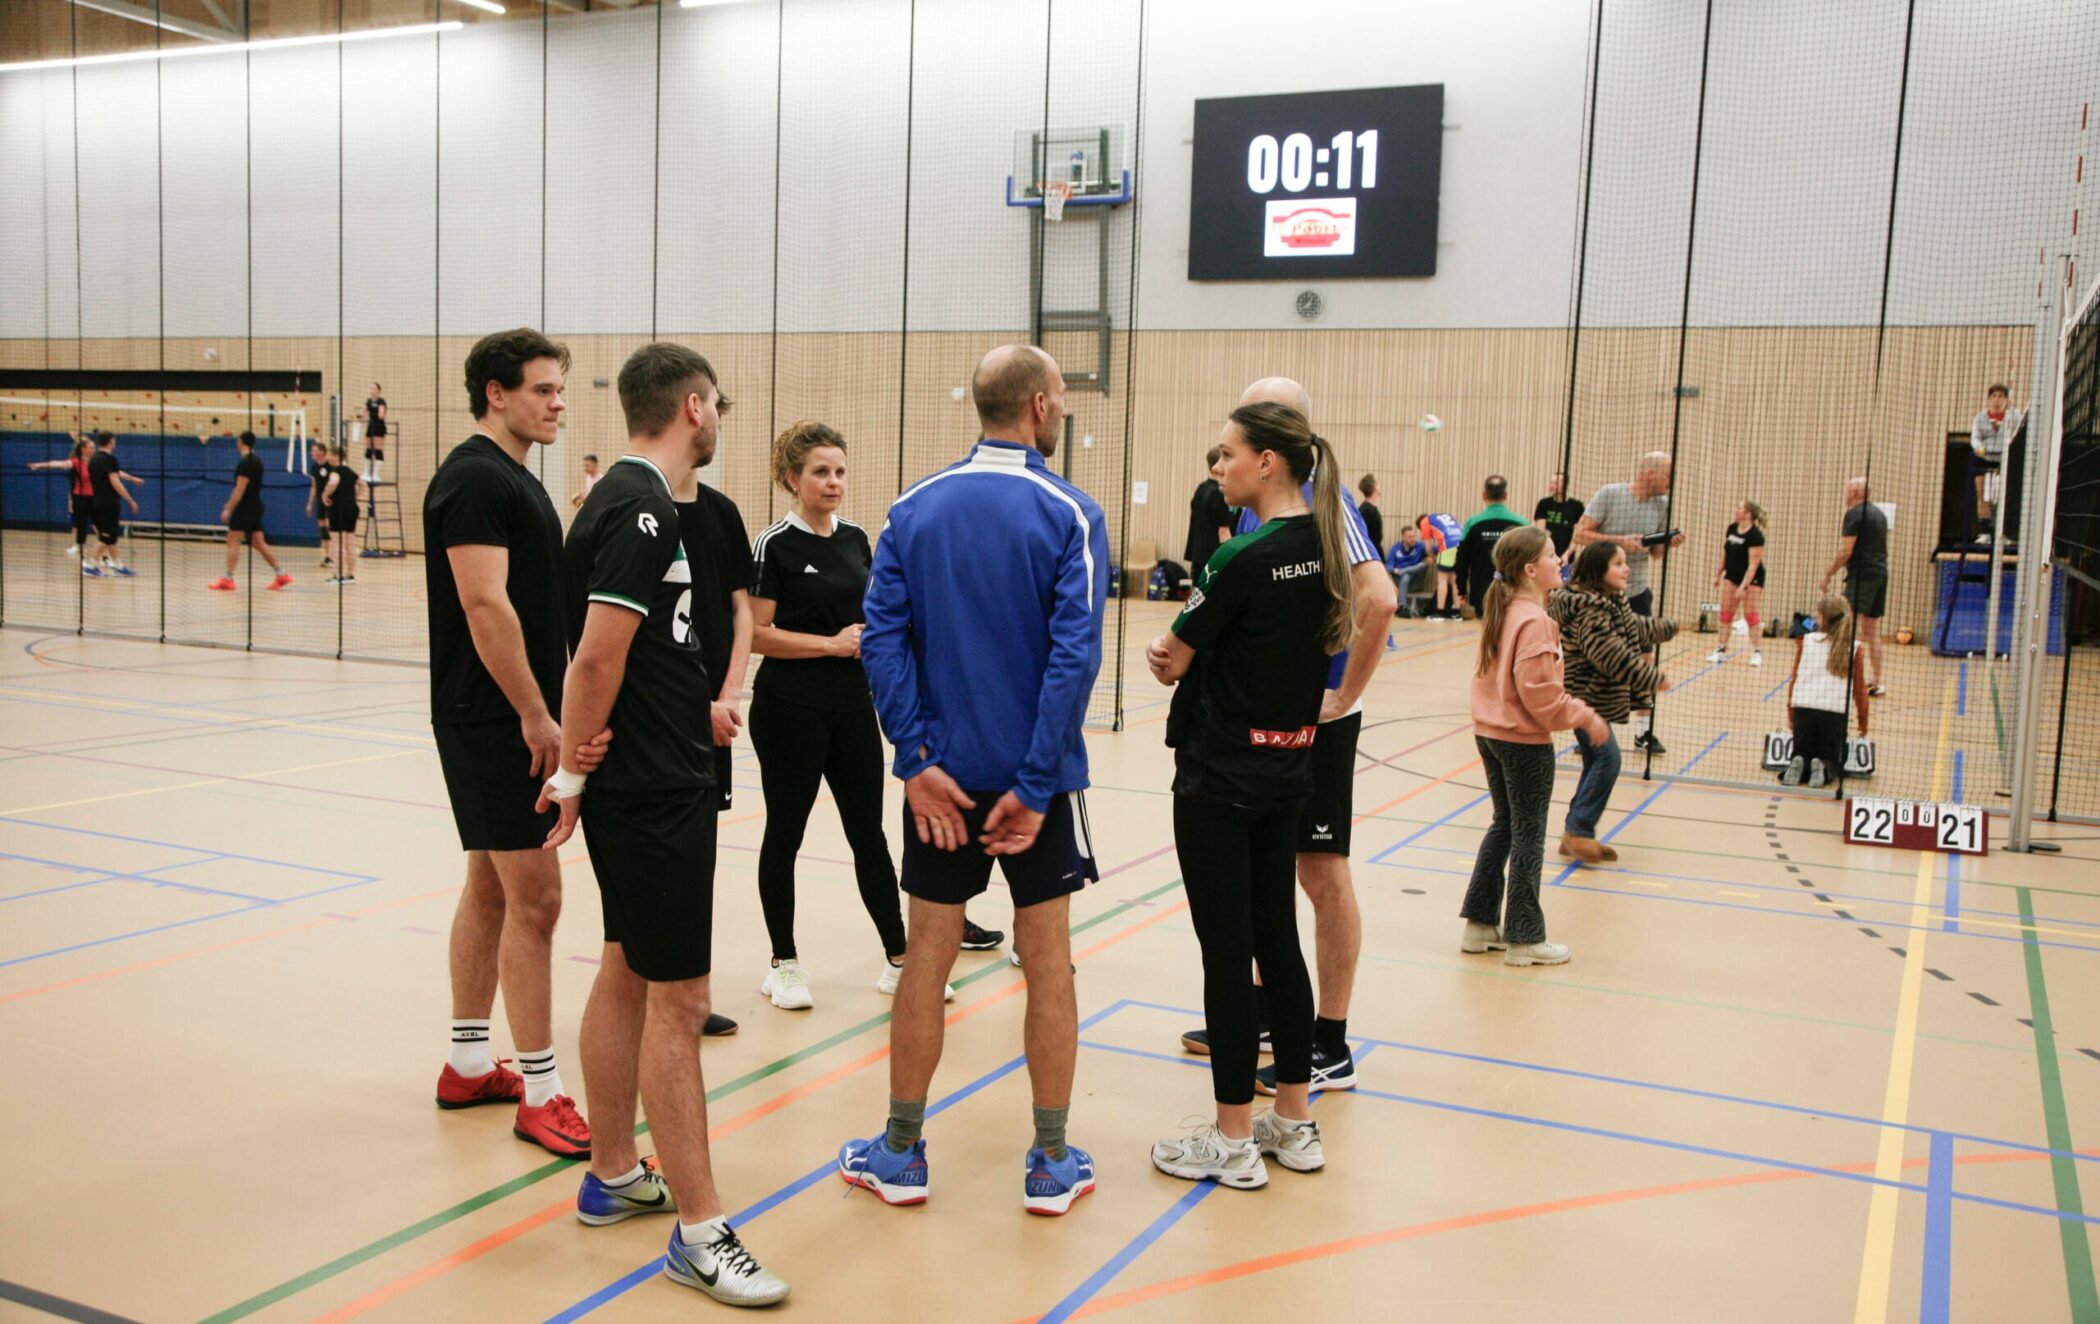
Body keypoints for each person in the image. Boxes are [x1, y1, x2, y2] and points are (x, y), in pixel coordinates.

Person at [542, 341, 788, 1305]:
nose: (719, 417)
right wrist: (572, 773)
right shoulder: (641, 509)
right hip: (650, 790)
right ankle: (700, 1230)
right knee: (681, 1003)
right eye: (715, 403)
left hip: (655, 775)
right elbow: (595, 659)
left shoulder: (632, 502)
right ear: (694, 406)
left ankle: (612, 1174)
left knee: (626, 966)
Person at [838, 343, 1107, 1217]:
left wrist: (916, 761)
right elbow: (1075, 657)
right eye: (1060, 397)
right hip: (1037, 790)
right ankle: (1051, 1161)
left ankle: (900, 1152)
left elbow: (881, 640)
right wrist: (1034, 783)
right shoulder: (1070, 513)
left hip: (941, 788)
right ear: (1038, 406)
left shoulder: (911, 509)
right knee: (1048, 961)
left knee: (928, 954)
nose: (1062, 410)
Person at [1145, 401, 1347, 1189]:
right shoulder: (1325, 547)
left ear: (1268, 462)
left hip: (1220, 776)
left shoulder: (1242, 556)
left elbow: (1173, 655)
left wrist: (1170, 654)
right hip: (1288, 770)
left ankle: (1232, 1137)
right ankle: (1292, 1122)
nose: (1219, 466)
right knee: (1277, 940)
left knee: (1227, 953)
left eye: (1228, 453)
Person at [423, 328, 597, 1159]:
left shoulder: (514, 478)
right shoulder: (475, 479)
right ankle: (541, 1091)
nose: (558, 403)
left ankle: (467, 1064)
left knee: (490, 889)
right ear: (496, 393)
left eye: (560, 390)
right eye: (543, 389)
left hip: (501, 715)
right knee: (537, 900)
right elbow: (485, 605)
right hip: (494, 719)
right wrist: (535, 712)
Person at [748, 421, 917, 1011]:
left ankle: (900, 959)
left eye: (840, 471)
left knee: (868, 834)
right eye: (820, 471)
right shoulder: (774, 545)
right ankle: (784, 964)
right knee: (785, 833)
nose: (834, 481)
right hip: (789, 708)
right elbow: (756, 635)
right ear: (792, 478)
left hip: (851, 707)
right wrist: (830, 645)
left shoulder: (856, 538)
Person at [1461, 526, 1606, 967]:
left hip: (1490, 734)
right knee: (1527, 833)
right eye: (1551, 554)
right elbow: (1541, 697)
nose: (1560, 560)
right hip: (1521, 742)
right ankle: (1524, 939)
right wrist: (1584, 716)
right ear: (1529, 570)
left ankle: (1480, 925)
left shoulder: (1504, 611)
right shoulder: (1535, 622)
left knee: (1504, 825)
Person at [667, 446, 749, 1041]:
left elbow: (742, 612)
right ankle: (660, 996)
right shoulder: (639, 510)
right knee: (660, 863)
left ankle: (691, 997)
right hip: (664, 720)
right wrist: (697, 708)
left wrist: (729, 693)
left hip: (716, 717)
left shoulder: (721, 512)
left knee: (700, 862)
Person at [1550, 541, 1677, 864]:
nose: (1626, 568)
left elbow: (1632, 627)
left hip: (1596, 699)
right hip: (1583, 698)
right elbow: (1610, 654)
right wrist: (1652, 678)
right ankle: (1579, 830)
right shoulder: (1589, 609)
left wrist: (1668, 628)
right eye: (1618, 563)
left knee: (1597, 760)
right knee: (1608, 759)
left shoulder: (1609, 602)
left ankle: (1574, 832)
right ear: (1599, 570)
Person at [1571, 452, 1681, 751]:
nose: (1671, 481)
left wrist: (1666, 543)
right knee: (1596, 661)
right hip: (1599, 594)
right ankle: (1591, 729)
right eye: (1668, 474)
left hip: (1636, 592)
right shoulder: (1611, 494)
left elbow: (1655, 554)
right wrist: (1621, 542)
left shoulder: (1663, 505)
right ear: (1651, 473)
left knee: (1645, 660)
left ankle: (1644, 733)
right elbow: (1580, 534)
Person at [1783, 594, 1870, 789]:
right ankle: (1823, 767)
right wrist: (1863, 721)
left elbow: (1794, 680)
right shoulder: (1855, 648)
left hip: (1803, 711)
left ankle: (1799, 760)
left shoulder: (1806, 641)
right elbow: (1860, 690)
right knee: (1833, 760)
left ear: (1822, 618)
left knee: (1803, 750)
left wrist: (1791, 714)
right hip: (1834, 715)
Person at [1819, 477, 1888, 697]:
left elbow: (1846, 551)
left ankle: (1843, 676)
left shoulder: (1854, 514)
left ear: (1856, 492)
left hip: (1862, 576)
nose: (1845, 494)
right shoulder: (1879, 514)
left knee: (1845, 624)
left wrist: (1828, 574)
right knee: (1871, 630)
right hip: (1880, 574)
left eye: (1848, 490)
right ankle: (1877, 681)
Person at [208, 432, 289, 592]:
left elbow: (240, 489)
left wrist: (228, 508)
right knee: (258, 542)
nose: (236, 442)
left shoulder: (246, 463)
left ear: (241, 442)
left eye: (238, 440)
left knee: (233, 540)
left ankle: (228, 579)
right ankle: (281, 574)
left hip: (245, 507)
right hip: (255, 505)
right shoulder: (257, 461)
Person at [1455, 474, 1526, 610]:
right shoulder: (1522, 524)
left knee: (1485, 621)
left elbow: (1462, 560)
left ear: (1484, 495)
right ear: (1505, 495)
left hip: (1480, 591)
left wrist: (1461, 589)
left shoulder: (1471, 523)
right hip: (1513, 590)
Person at [1707, 500, 1766, 665]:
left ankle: (1757, 652)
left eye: (1738, 508)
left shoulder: (1756, 535)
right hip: (1731, 576)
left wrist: (1743, 586)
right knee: (1726, 613)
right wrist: (1718, 574)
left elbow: (1753, 564)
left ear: (1747, 513)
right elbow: (1725, 553)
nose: (1735, 510)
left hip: (1752, 579)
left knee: (1751, 615)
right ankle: (1721, 650)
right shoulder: (1732, 528)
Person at [28, 436, 98, 564]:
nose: (94, 450)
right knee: (81, 527)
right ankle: (83, 556)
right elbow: (57, 464)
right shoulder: (76, 462)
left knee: (100, 526)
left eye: (94, 447)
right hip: (80, 498)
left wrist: (131, 478)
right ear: (83, 449)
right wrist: (40, 465)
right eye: (91, 447)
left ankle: (103, 556)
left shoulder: (96, 463)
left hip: (94, 498)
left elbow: (113, 473)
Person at [1969, 384, 2020, 543]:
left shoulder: (2014, 416)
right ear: (1989, 399)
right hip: (1984, 459)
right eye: (1994, 396)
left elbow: (2019, 433)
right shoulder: (1980, 418)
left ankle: (2004, 533)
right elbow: (1975, 438)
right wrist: (1980, 449)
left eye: (2001, 396)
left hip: (2005, 460)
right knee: (1983, 496)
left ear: (2006, 399)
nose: (1997, 400)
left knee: (2005, 497)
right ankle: (1984, 532)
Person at [84, 433, 139, 578]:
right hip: (108, 503)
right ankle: (90, 565)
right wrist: (130, 500)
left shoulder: (94, 459)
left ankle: (117, 565)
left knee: (111, 535)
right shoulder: (109, 459)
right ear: (110, 442)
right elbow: (115, 481)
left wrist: (131, 478)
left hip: (96, 501)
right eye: (114, 439)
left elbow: (114, 474)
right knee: (106, 537)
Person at [321, 444, 363, 585]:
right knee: (350, 543)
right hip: (352, 509)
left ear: (336, 457)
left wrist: (325, 494)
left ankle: (337, 576)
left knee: (337, 543)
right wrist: (355, 497)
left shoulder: (335, 471)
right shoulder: (350, 472)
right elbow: (363, 484)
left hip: (338, 509)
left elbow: (333, 482)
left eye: (330, 455)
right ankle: (350, 575)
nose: (328, 458)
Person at [1419, 511, 1464, 619]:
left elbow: (1428, 548)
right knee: (1455, 581)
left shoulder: (1425, 522)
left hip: (1448, 547)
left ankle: (1440, 612)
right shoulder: (1447, 516)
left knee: (1442, 580)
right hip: (1463, 546)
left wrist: (1433, 557)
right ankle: (1456, 613)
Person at [1533, 470, 1584, 564]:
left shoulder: (1577, 506)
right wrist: (1550, 554)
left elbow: (1577, 535)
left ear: (1564, 485)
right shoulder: (1544, 504)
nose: (1552, 486)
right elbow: (1541, 532)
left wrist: (1567, 554)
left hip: (1566, 557)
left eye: (1556, 483)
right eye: (1551, 483)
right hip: (1546, 554)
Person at [304, 440, 334, 569]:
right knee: (323, 529)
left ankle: (334, 555)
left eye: (314, 451)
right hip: (320, 501)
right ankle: (327, 556)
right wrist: (310, 504)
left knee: (331, 527)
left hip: (331, 500)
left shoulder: (330, 465)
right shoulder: (314, 467)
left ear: (322, 452)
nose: (312, 453)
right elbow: (314, 486)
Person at [1386, 525, 1428, 615]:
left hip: (1415, 582)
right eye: (1410, 537)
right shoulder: (1396, 548)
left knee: (1423, 565)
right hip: (1399, 581)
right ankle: (1403, 606)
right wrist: (1393, 570)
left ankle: (1402, 606)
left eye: (1414, 536)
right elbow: (1389, 565)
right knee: (1405, 576)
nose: (1413, 539)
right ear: (1403, 537)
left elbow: (1434, 549)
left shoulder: (1420, 546)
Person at [363, 383, 387, 483]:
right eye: (371, 388)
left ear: (379, 390)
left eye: (374, 388)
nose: (372, 390)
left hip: (378, 426)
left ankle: (376, 475)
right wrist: (359, 417)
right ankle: (366, 473)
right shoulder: (369, 401)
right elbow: (364, 413)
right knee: (368, 449)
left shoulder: (381, 401)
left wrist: (373, 412)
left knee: (378, 450)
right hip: (371, 425)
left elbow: (381, 415)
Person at [1357, 474, 1385, 559]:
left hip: (1375, 552)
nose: (1379, 486)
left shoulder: (1370, 509)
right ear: (1374, 487)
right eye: (1377, 484)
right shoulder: (1366, 510)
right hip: (1369, 555)